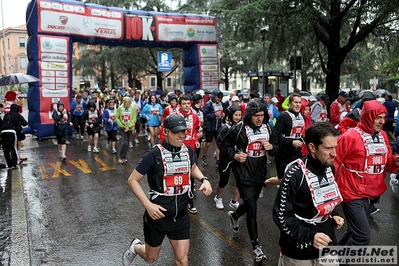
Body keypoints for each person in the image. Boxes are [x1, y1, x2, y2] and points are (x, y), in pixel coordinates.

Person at [122, 114, 212, 266]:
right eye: (177, 131)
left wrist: (204, 179)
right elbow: (132, 180)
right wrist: (148, 205)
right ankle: (136, 247)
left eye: (183, 131)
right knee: (151, 258)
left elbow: (193, 168)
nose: (182, 135)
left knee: (183, 260)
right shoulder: (153, 154)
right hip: (158, 216)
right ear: (166, 131)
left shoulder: (188, 151)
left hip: (181, 216)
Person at [273, 122, 344, 266]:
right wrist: (310, 236)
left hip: (327, 244)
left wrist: (333, 213)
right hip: (299, 251)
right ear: (312, 147)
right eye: (328, 148)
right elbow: (281, 215)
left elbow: (322, 195)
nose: (334, 154)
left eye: (335, 147)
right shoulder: (294, 173)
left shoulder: (329, 167)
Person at [335, 100, 399, 247]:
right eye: (378, 117)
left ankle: (333, 259)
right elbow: (333, 164)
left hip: (373, 193)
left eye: (384, 117)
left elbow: (386, 163)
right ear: (368, 116)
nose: (382, 121)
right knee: (362, 237)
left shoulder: (383, 136)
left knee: (353, 231)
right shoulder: (349, 137)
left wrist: (395, 161)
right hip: (352, 193)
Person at [221, 100, 279, 262]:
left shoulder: (268, 128)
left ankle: (235, 214)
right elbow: (223, 144)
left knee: (251, 202)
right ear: (249, 116)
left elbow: (278, 146)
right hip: (243, 171)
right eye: (256, 116)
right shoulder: (239, 129)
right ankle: (256, 246)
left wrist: (272, 148)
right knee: (252, 208)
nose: (259, 119)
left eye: (262, 115)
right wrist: (235, 155)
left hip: (259, 171)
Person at [214, 105, 242, 210]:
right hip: (226, 158)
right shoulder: (225, 128)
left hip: (238, 157)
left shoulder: (242, 127)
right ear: (230, 115)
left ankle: (234, 201)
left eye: (240, 115)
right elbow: (220, 144)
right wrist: (232, 150)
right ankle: (218, 197)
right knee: (224, 180)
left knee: (240, 180)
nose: (238, 117)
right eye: (236, 115)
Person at [274, 94, 305, 183]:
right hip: (284, 154)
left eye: (299, 102)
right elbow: (276, 136)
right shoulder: (284, 116)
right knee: (283, 181)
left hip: (296, 153)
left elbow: (299, 135)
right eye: (295, 102)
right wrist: (291, 142)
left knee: (296, 180)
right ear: (290, 104)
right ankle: (265, 183)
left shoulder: (301, 116)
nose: (298, 105)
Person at [0, 104, 28, 169]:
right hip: (12, 132)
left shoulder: (6, 115)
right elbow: (25, 123)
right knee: (13, 148)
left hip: (3, 133)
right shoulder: (18, 115)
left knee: (5, 149)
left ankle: (9, 164)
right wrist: (19, 123)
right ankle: (15, 163)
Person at [202, 90, 224, 166]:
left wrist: (223, 115)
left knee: (218, 143)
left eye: (221, 97)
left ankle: (218, 160)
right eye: (218, 97)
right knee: (208, 143)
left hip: (218, 126)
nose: (220, 99)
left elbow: (222, 112)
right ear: (214, 96)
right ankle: (204, 156)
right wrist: (214, 115)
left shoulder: (221, 103)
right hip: (210, 127)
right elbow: (205, 114)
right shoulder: (209, 104)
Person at [115, 97, 137, 163]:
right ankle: (121, 157)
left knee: (127, 143)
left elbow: (134, 118)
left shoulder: (133, 108)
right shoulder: (120, 108)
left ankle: (124, 156)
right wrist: (122, 125)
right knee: (124, 142)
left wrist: (129, 126)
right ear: (123, 102)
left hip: (129, 128)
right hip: (122, 127)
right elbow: (117, 118)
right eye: (126, 102)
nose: (127, 103)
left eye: (128, 102)